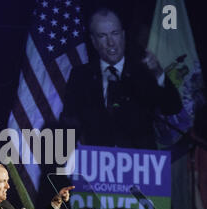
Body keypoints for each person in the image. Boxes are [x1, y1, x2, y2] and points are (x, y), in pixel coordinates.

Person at [60, 7, 183, 150]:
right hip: (100, 164)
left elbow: (172, 107)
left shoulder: (143, 71)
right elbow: (69, 124)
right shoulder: (81, 76)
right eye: (102, 36)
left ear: (123, 35)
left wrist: (158, 73)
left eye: (115, 33)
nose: (111, 43)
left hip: (142, 164)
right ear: (93, 41)